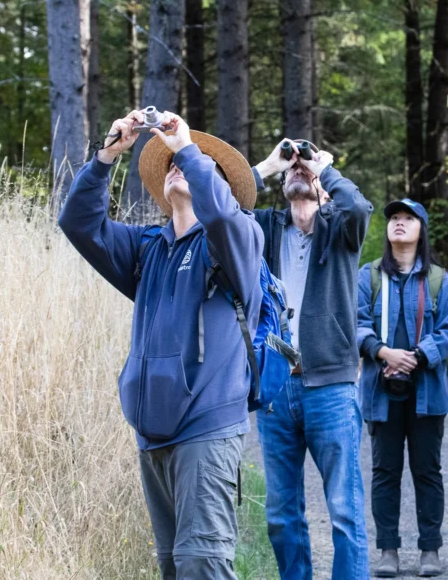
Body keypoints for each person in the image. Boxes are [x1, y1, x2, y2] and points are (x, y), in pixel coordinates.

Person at [58, 110, 263, 580]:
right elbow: (78, 224)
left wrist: (188, 148)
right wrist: (107, 156)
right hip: (153, 432)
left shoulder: (237, 242)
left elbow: (224, 219)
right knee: (174, 567)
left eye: (191, 166)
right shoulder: (148, 249)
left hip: (206, 429)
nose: (177, 167)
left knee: (203, 564)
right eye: (172, 164)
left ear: (220, 187)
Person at [250, 139, 374, 580]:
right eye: (292, 169)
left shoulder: (341, 229)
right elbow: (219, 209)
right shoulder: (263, 229)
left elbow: (359, 208)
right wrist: (268, 165)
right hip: (276, 388)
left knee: (344, 510)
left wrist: (324, 169)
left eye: (306, 167)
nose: (298, 169)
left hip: (333, 388)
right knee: (282, 515)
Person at [356, 199, 448, 578]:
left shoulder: (438, 280)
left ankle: (430, 550)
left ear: (422, 229)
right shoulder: (368, 276)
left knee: (427, 471)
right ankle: (388, 550)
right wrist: (383, 352)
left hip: (427, 392)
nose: (399, 224)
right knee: (384, 471)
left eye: (408, 219)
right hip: (379, 392)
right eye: (394, 219)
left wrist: (415, 356)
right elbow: (356, 324)